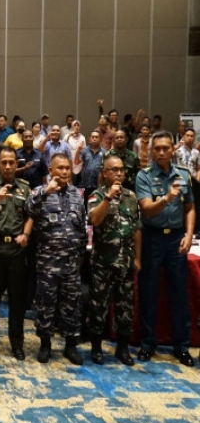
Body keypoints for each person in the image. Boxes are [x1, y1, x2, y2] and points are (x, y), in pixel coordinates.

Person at [135, 132, 195, 367]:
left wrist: (189, 234)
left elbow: (190, 208)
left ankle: (182, 347)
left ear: (173, 150)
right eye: (157, 148)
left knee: (179, 294)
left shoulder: (183, 175)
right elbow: (147, 210)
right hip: (152, 238)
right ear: (151, 151)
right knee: (149, 293)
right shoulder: (144, 176)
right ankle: (147, 344)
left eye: (165, 148)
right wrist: (167, 198)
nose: (161, 152)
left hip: (176, 239)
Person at [26, 153, 87, 365]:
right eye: (60, 168)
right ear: (51, 170)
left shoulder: (76, 194)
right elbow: (29, 209)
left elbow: (81, 226)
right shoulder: (39, 192)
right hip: (48, 263)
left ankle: (71, 346)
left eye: (67, 168)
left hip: (71, 263)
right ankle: (45, 345)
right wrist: (45, 192)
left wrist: (80, 254)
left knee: (72, 306)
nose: (64, 172)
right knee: (46, 305)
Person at [86, 154, 140, 366]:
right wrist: (108, 197)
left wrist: (138, 258)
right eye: (114, 170)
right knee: (98, 307)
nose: (119, 173)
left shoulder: (131, 196)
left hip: (126, 263)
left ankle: (122, 348)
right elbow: (94, 220)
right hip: (103, 263)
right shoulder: (96, 196)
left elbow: (136, 229)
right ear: (104, 173)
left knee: (125, 308)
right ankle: (96, 348)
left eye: (121, 170)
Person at [0, 147, 32, 361]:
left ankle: (16, 343)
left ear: (16, 164)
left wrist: (26, 234)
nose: (8, 166)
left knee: (17, 300)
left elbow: (31, 215)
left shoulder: (25, 187)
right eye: (4, 162)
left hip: (16, 251)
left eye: (11, 162)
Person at [77, 130, 105, 201]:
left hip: (98, 185)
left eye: (96, 137)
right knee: (86, 203)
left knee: (97, 203)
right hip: (86, 184)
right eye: (93, 137)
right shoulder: (84, 151)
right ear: (89, 139)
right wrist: (78, 150)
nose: (94, 139)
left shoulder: (104, 152)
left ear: (100, 139)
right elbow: (77, 162)